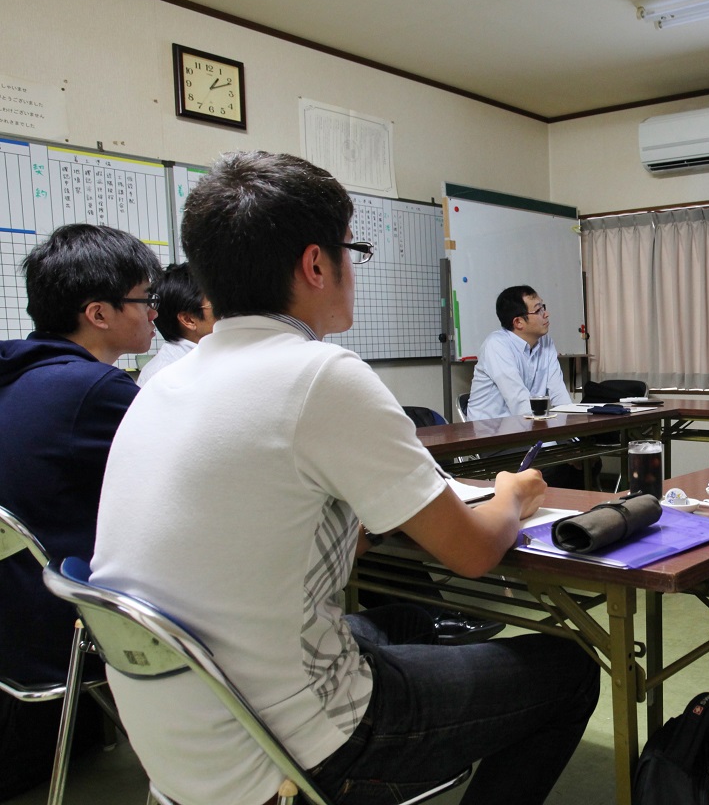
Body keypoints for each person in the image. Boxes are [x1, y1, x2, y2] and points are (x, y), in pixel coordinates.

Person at [90, 152, 598, 805]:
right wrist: (513, 494)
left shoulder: (158, 385)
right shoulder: (321, 374)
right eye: (350, 250)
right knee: (569, 670)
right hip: (293, 748)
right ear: (315, 264)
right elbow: (471, 552)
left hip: (183, 745)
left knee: (401, 624)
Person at [0, 224, 160, 799]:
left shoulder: (19, 374)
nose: (154, 313)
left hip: (15, 616)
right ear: (98, 312)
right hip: (66, 624)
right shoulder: (96, 391)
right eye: (145, 299)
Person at [467, 285, 573, 420]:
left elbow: (558, 393)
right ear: (518, 322)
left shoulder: (545, 342)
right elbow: (518, 400)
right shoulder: (496, 345)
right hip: (489, 432)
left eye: (543, 307)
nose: (546, 314)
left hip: (526, 425)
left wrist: (572, 426)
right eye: (538, 310)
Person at [137, 261, 214, 386]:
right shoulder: (167, 377)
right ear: (188, 320)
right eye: (217, 305)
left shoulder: (209, 357)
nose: (227, 312)